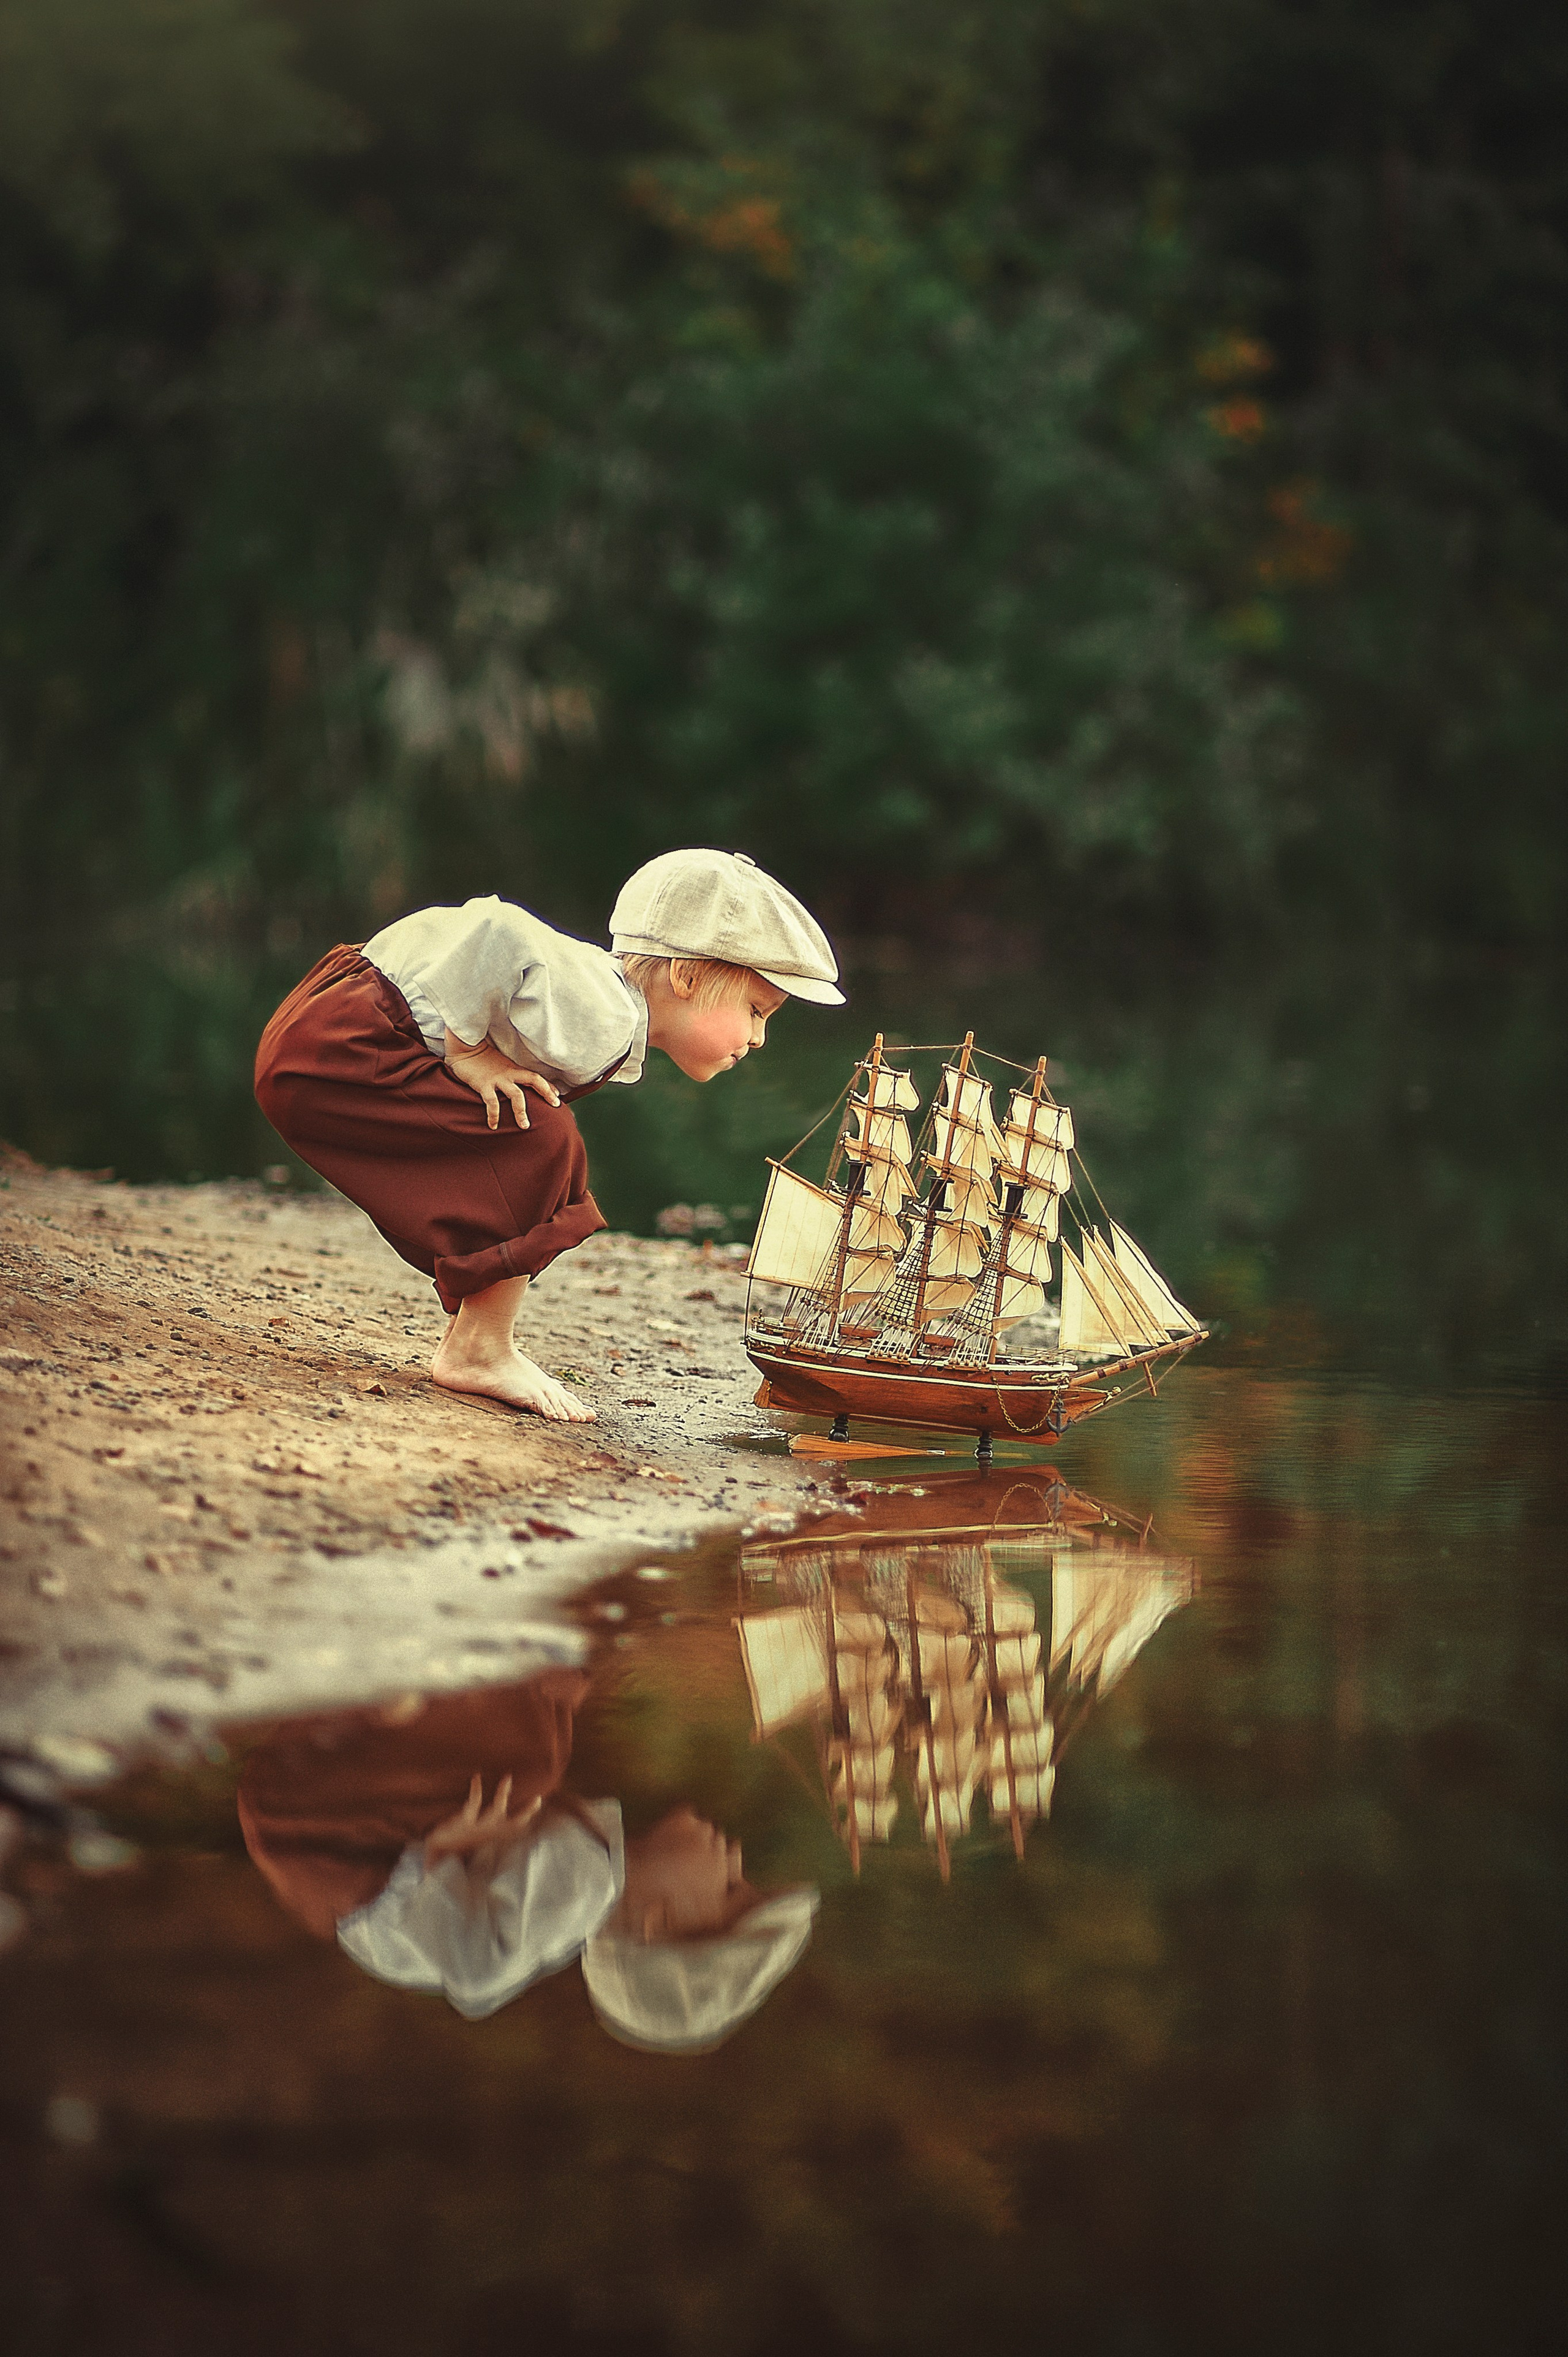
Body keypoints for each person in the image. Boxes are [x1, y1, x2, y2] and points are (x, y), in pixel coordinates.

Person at [254, 849, 843, 1423]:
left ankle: (475, 1337)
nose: (759, 1037)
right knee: (546, 1141)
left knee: (522, 1135)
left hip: (325, 1034)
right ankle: (481, 1349)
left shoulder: (594, 997)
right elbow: (495, 928)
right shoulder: (604, 1010)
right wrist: (468, 1051)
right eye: (756, 1010)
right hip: (347, 1043)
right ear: (686, 976)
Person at [237, 1671, 816, 2048]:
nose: (736, 1855)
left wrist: (439, 1855)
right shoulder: (581, 1874)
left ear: (656, 1920)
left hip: (333, 1851)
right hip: (322, 1838)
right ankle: (390, 1699)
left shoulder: (582, 1889)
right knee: (540, 1740)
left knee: (530, 1764)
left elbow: (476, 1977)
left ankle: (415, 1682)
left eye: (730, 1887)